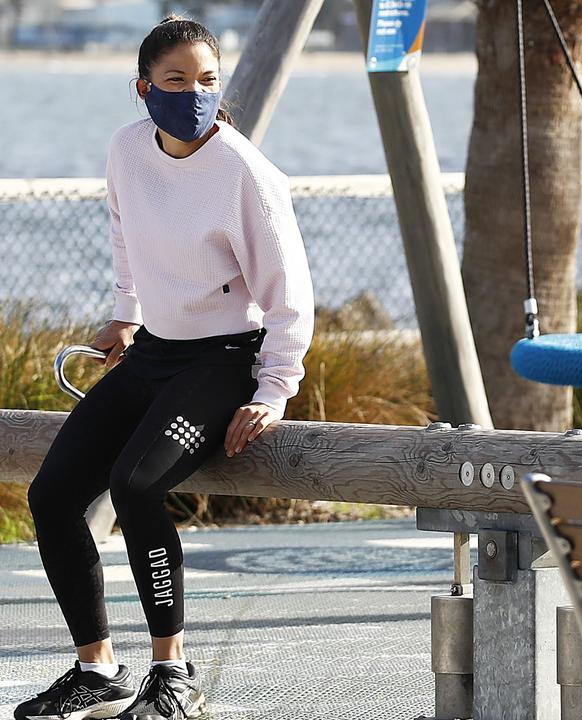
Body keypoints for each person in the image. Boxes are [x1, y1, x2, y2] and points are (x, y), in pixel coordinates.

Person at [18, 17, 314, 720]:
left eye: (208, 80)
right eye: (176, 80)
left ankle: (172, 671)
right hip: (152, 353)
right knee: (53, 494)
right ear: (144, 87)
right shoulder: (127, 150)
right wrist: (125, 312)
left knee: (133, 484)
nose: (194, 93)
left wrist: (274, 389)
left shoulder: (246, 173)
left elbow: (289, 297)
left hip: (222, 363)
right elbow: (125, 235)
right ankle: (98, 669)